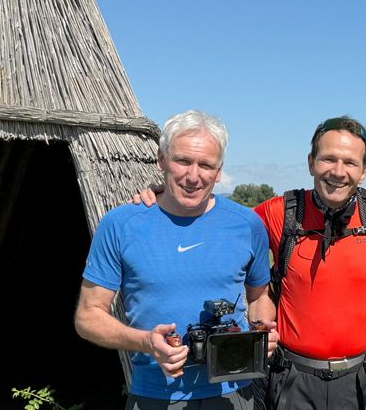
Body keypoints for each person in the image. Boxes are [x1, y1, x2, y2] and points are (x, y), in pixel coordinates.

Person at [135, 116, 366, 409]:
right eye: (328, 159)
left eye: (350, 163)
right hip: (292, 380)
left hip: (359, 380)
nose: (338, 172)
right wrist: (166, 194)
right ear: (310, 162)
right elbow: (221, 222)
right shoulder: (282, 213)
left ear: (364, 171)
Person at [75, 110, 278, 409]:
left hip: (234, 391)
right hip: (156, 395)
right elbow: (87, 317)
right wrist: (145, 342)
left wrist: (263, 330)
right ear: (161, 160)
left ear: (219, 170)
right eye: (183, 160)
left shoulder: (247, 225)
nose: (193, 176)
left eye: (206, 165)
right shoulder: (121, 224)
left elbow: (260, 296)